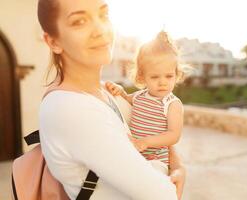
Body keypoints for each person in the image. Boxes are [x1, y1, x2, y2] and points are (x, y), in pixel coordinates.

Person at [37, 0, 185, 199]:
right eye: (80, 21)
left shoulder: (105, 91)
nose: (100, 30)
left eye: (103, 15)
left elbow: (161, 132)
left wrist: (177, 166)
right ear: (53, 42)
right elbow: (165, 195)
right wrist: (178, 175)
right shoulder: (71, 109)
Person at [106, 31, 185, 175]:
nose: (162, 82)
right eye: (155, 77)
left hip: (156, 160)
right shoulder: (139, 96)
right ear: (142, 77)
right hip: (134, 155)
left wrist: (146, 142)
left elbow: (174, 135)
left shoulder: (172, 104)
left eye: (169, 76)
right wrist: (120, 91)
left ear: (176, 74)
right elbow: (126, 98)